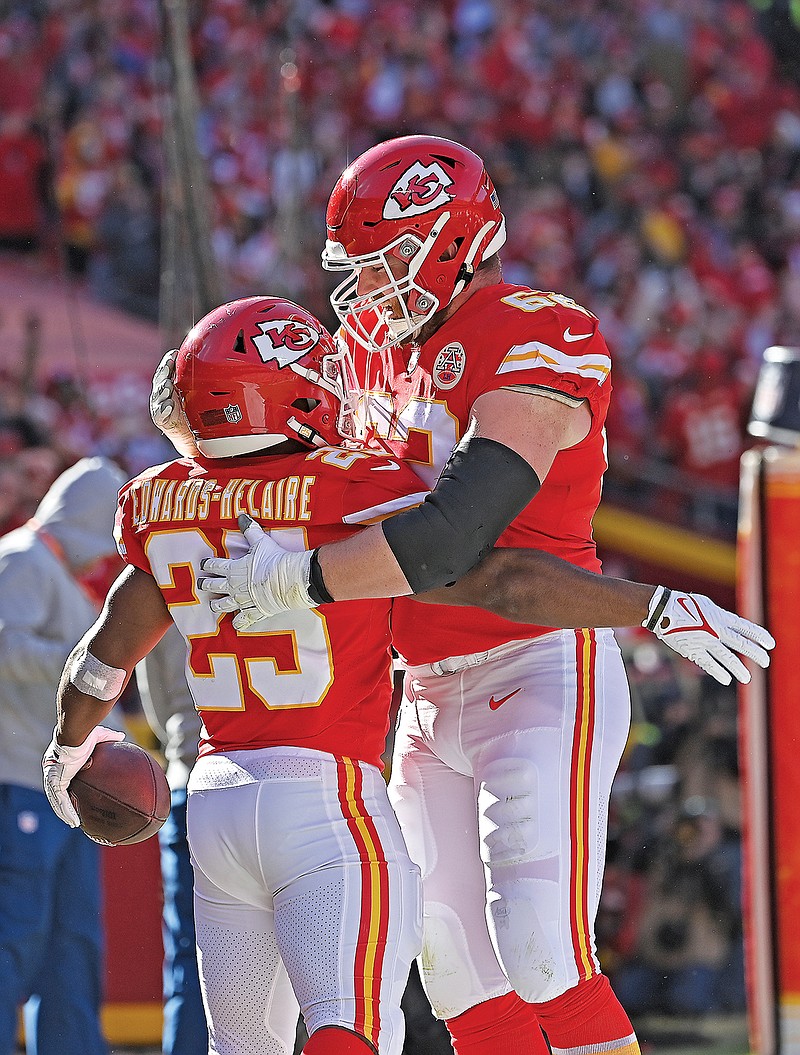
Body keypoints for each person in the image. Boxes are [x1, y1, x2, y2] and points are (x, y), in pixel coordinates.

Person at [164, 137, 774, 1055]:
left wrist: (295, 576)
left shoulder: (537, 331)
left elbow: (457, 538)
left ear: (450, 243)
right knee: (448, 964)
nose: (364, 291)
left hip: (534, 660)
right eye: (357, 269)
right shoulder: (368, 348)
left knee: (540, 949)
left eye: (381, 264)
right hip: (422, 680)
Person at [42, 297, 430, 1055]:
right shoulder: (351, 483)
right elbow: (460, 535)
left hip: (218, 800)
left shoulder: (160, 500)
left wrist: (66, 751)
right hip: (326, 796)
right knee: (352, 1030)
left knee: (242, 1044)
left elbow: (104, 655)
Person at [0, 455, 126, 1055]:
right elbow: (2, 648)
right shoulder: (22, 558)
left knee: (72, 945)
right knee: (14, 939)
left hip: (61, 792)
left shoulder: (60, 576)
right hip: (17, 782)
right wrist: (82, 671)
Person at [135, 626, 207, 1055]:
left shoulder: (161, 567)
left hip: (187, 775)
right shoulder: (283, 558)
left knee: (189, 957)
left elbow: (157, 705)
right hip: (279, 774)